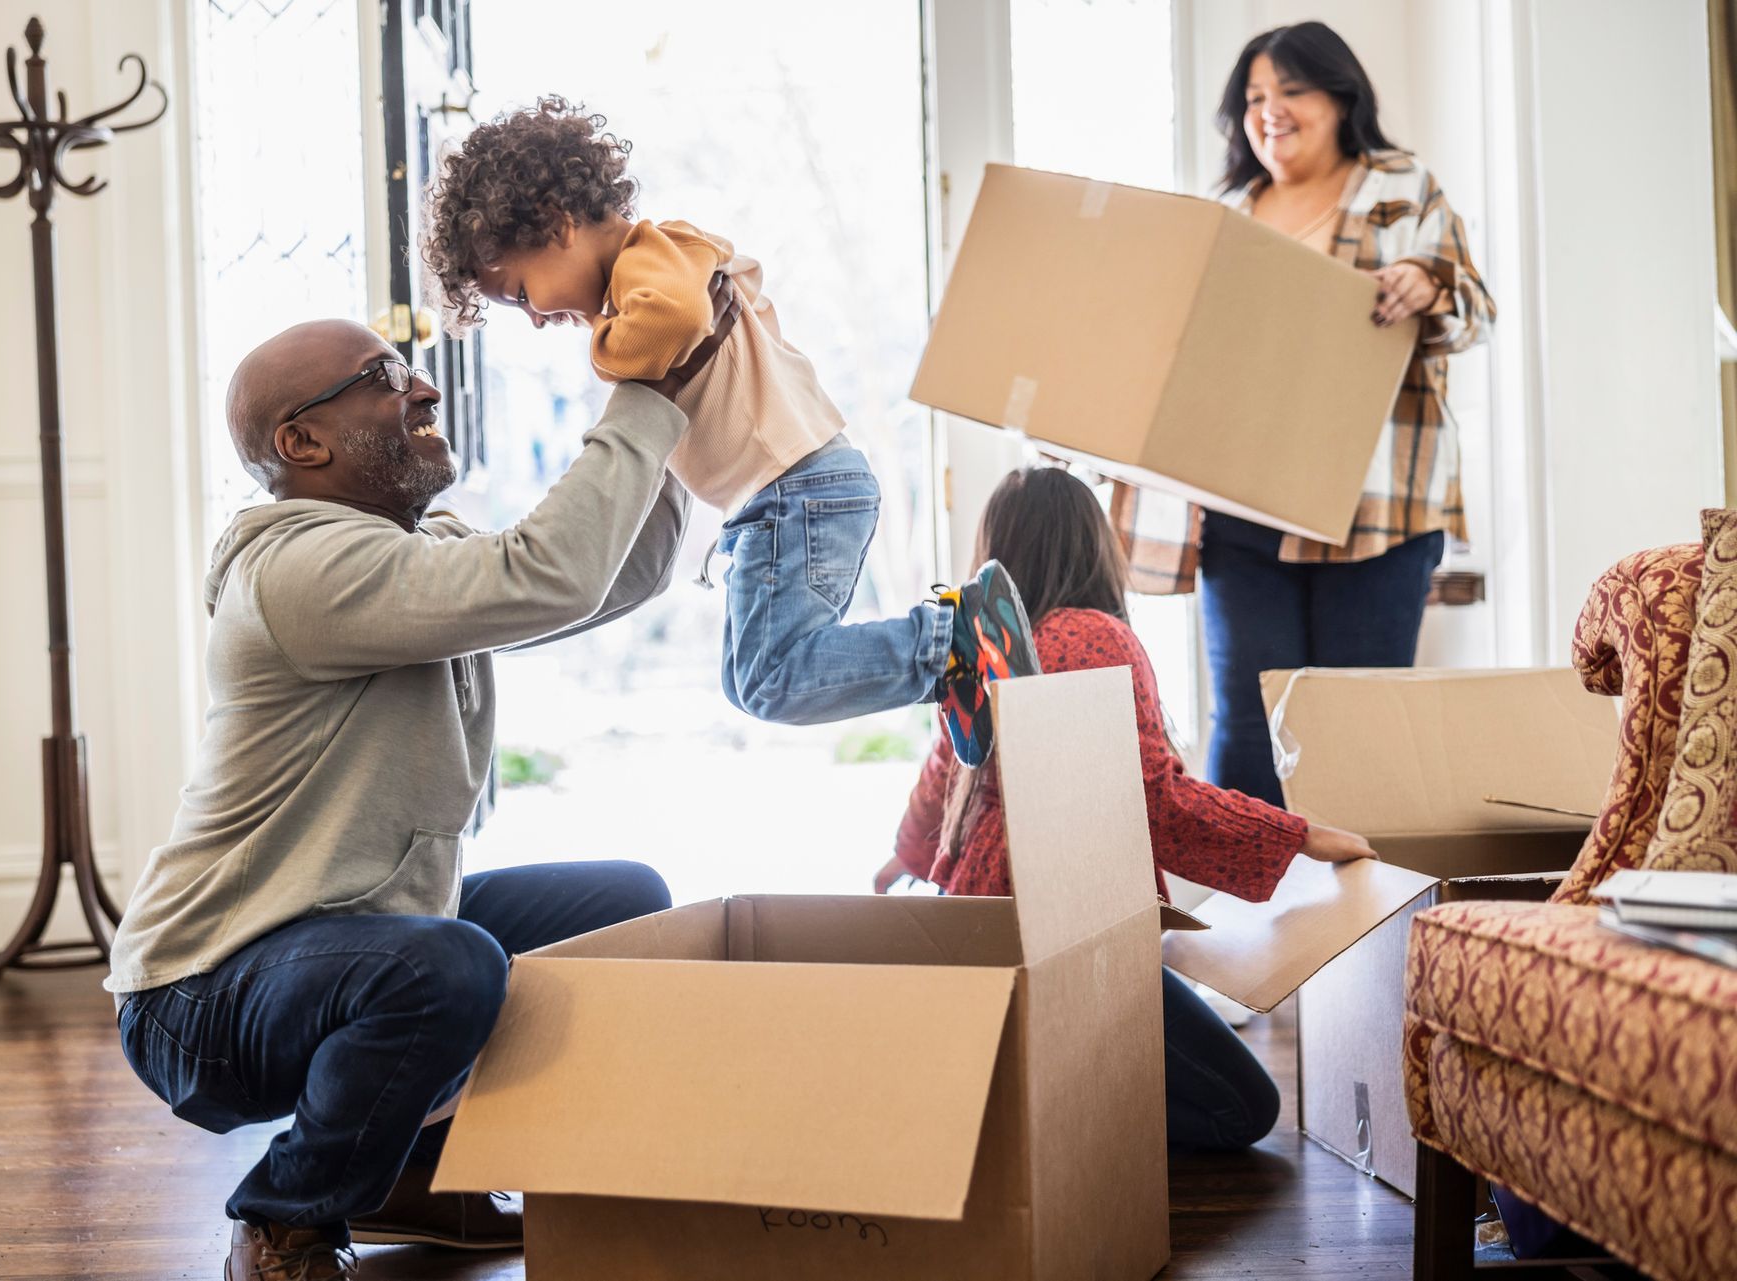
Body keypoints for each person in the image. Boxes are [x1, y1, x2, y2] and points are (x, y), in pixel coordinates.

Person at [107, 301, 736, 1281]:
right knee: (442, 970)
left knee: (625, 908)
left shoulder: (410, 549)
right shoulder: (300, 570)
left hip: (351, 929)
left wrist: (673, 392)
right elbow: (551, 575)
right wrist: (642, 394)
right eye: (382, 379)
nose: (425, 387)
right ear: (301, 440)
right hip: (202, 991)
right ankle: (286, 1214)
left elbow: (614, 579)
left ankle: (419, 1171)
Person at [422, 96, 1038, 769]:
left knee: (770, 677)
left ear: (558, 223)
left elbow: (677, 319)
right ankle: (954, 665)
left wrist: (603, 350)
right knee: (753, 681)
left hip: (795, 488)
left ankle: (951, 641)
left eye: (518, 292)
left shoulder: (652, 256)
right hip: (792, 491)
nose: (535, 318)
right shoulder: (647, 272)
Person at [882, 466, 1377, 1150]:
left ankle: (1010, 1091)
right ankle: (1031, 1118)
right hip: (1068, 941)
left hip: (986, 933)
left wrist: (904, 856)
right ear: (1093, 545)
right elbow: (1154, 798)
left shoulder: (979, 646)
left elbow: (944, 767)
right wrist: (1299, 835)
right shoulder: (1096, 637)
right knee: (1246, 1107)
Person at [1109, 21, 1495, 808]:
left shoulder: (1401, 185)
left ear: (1341, 96)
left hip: (1376, 506)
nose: (1269, 111)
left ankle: (1364, 917)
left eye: (1291, 90)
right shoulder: (1225, 208)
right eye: (1253, 97)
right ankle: (1250, 919)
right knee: (1249, 723)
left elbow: (1477, 311)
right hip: (1241, 504)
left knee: (1358, 727)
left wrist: (1430, 284)